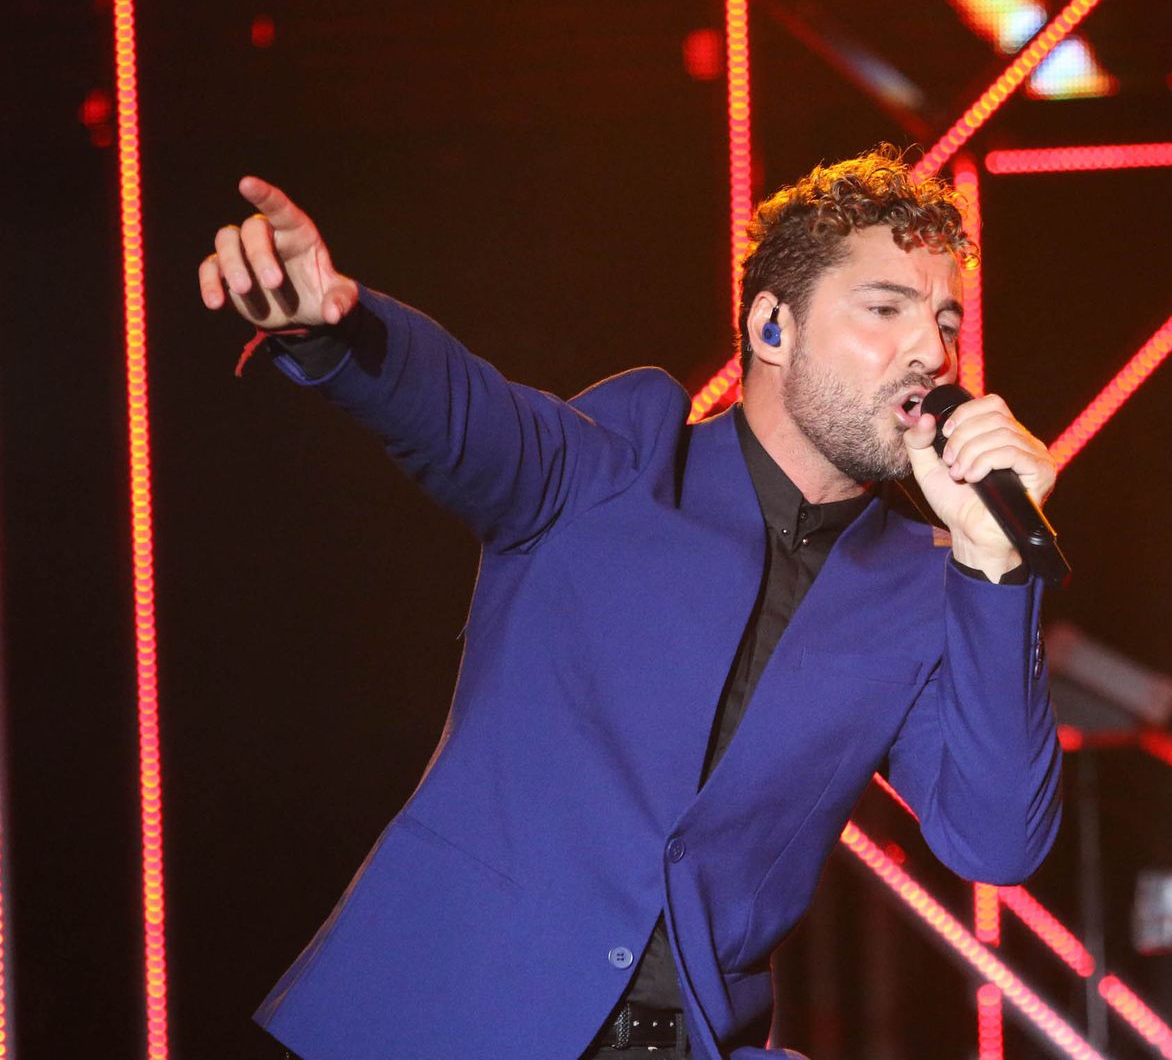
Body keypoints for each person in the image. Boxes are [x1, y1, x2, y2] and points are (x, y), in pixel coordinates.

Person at [197, 147, 1064, 1060]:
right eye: (885, 309)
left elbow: (997, 842)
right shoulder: (623, 460)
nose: (931, 351)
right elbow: (458, 412)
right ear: (773, 328)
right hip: (448, 1016)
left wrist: (996, 564)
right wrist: (333, 330)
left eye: (946, 320)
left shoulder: (925, 587)